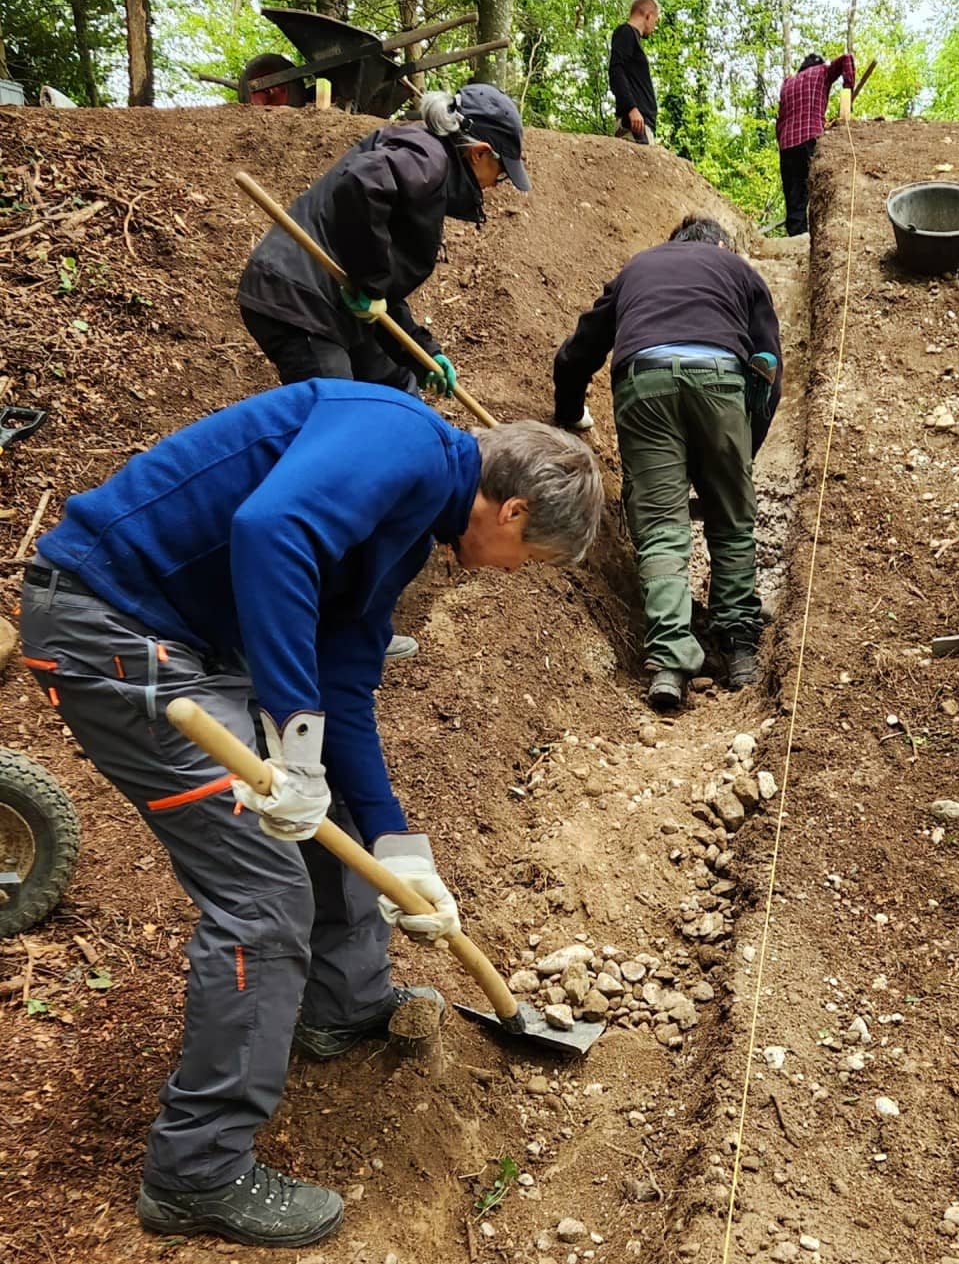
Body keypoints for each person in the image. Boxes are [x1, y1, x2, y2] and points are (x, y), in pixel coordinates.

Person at [19, 379, 603, 1248]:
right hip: (114, 630)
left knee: (320, 807)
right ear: (512, 511)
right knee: (262, 894)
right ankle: (197, 1170)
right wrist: (293, 741)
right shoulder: (402, 439)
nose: (517, 573)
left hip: (185, 641)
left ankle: (344, 1002)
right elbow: (271, 529)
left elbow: (344, 692)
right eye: (534, 558)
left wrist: (401, 847)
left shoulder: (405, 528)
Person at [238, 83, 530, 662]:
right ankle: (326, 620)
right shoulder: (422, 153)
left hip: (331, 307)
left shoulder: (426, 172)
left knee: (401, 395)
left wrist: (423, 350)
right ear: (479, 152)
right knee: (346, 450)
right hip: (300, 299)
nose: (499, 186)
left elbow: (381, 286)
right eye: (502, 170)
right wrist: (369, 286)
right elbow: (359, 189)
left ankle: (356, 603)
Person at [552, 216, 782, 711]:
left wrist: (568, 412)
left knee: (660, 526)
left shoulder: (638, 267)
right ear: (720, 245)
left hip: (644, 380)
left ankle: (669, 663)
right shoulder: (737, 269)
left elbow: (579, 350)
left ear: (671, 243)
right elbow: (768, 366)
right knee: (731, 517)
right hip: (720, 379)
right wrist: (743, 452)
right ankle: (739, 646)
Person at [775, 51, 855, 236]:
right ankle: (815, 240)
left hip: (787, 145)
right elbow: (846, 58)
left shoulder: (788, 83)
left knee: (794, 195)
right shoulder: (822, 72)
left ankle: (796, 237)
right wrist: (848, 89)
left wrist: (782, 140)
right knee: (816, 191)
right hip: (810, 137)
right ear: (818, 64)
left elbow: (780, 120)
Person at [609, 0, 660, 145]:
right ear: (648, 16)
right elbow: (615, 71)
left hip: (639, 126)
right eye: (655, 21)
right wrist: (631, 108)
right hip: (635, 127)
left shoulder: (631, 38)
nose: (654, 27)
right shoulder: (626, 32)